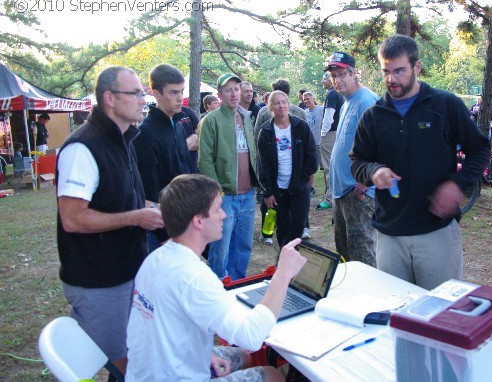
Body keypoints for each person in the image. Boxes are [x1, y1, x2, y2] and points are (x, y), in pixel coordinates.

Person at [126, 174, 307, 381]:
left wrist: (202, 354)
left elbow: (155, 327)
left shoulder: (155, 259)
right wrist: (283, 274)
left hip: (146, 371)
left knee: (244, 357)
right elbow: (252, 336)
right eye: (217, 209)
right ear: (198, 221)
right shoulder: (193, 276)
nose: (223, 215)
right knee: (272, 375)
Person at [350, 35, 489, 290]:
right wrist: (374, 170)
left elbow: (480, 149)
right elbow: (358, 161)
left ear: (417, 67)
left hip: (436, 231)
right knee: (397, 312)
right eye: (386, 72)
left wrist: (457, 185)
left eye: (399, 71)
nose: (392, 79)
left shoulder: (445, 105)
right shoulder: (373, 115)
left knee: (440, 314)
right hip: (389, 233)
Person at [55, 66, 164, 374]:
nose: (144, 100)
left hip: (125, 270)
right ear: (110, 98)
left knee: (134, 349)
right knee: (120, 362)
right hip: (99, 278)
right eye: (136, 93)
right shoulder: (83, 147)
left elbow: (118, 197)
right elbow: (73, 219)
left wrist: (156, 208)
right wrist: (137, 217)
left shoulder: (123, 139)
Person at [198, 73, 259, 280]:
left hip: (248, 195)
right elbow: (204, 160)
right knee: (221, 248)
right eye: (228, 90)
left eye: (236, 89)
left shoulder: (246, 117)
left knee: (243, 247)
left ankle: (237, 285)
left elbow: (252, 153)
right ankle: (216, 288)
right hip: (226, 196)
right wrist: (218, 192)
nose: (234, 94)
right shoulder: (211, 121)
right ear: (220, 94)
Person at [325, 51, 380, 266]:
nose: (337, 80)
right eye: (333, 76)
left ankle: (369, 300)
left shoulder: (367, 101)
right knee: (345, 255)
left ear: (354, 73)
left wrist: (362, 185)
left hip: (357, 194)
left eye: (341, 74)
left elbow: (380, 147)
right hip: (342, 193)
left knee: (363, 257)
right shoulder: (347, 101)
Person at [133, 64, 194, 252]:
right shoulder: (145, 133)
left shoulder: (178, 126)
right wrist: (164, 236)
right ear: (156, 94)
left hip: (182, 218)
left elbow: (184, 172)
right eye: (173, 92)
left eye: (181, 91)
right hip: (158, 229)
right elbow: (147, 192)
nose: (179, 98)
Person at [256, 91, 318, 248]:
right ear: (270, 107)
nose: (281, 105)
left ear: (288, 104)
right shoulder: (266, 131)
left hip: (299, 188)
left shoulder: (300, 126)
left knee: (297, 228)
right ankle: (284, 263)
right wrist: (268, 192)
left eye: (284, 102)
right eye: (276, 103)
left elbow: (312, 157)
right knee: (282, 229)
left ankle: (292, 262)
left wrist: (303, 177)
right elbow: (263, 166)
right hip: (278, 191)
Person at [316, 72, 344, 210]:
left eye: (324, 79)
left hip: (330, 133)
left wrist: (323, 133)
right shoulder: (340, 93)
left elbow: (329, 116)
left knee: (328, 167)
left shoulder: (332, 94)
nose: (323, 82)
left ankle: (330, 198)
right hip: (338, 133)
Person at [302, 90, 324, 238]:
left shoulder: (321, 109)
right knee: (311, 167)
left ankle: (315, 188)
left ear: (313, 98)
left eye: (308, 98)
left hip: (320, 142)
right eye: (304, 99)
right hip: (309, 143)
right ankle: (311, 187)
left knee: (320, 167)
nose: (306, 101)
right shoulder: (304, 112)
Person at [173, 106, 200, 172]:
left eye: (181, 94)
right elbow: (172, 151)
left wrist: (182, 146)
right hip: (176, 171)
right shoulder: (157, 121)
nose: (180, 98)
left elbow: (202, 140)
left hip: (193, 167)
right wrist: (194, 137)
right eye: (173, 94)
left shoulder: (187, 111)